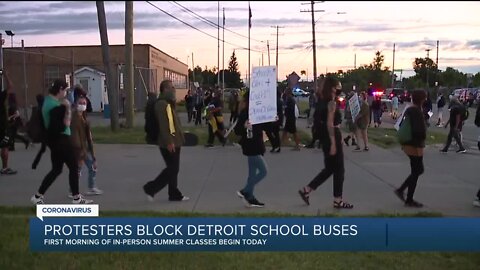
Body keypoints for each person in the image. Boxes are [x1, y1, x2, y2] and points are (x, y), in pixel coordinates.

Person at [30, 79, 93, 204]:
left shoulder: (48, 102)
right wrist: (68, 108)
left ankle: (37, 196)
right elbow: (66, 123)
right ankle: (76, 198)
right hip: (61, 140)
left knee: (57, 169)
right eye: (65, 90)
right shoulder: (57, 105)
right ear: (60, 89)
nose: (66, 92)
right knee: (74, 168)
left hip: (53, 141)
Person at [298, 76, 353, 209]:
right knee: (339, 170)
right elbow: (330, 124)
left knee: (329, 169)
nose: (339, 88)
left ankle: (307, 189)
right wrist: (334, 143)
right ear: (333, 88)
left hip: (325, 138)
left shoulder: (322, 101)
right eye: (337, 86)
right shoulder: (331, 103)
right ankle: (338, 200)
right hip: (331, 137)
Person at [143, 80, 189, 202]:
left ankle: (174, 194)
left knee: (173, 168)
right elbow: (165, 125)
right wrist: (169, 141)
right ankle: (151, 188)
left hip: (174, 140)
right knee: (173, 169)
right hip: (168, 142)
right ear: (165, 90)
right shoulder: (162, 104)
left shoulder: (168, 103)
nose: (174, 89)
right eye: (172, 87)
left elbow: (173, 124)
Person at [394, 90, 427, 208]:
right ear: (422, 99)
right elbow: (418, 130)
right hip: (415, 143)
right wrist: (422, 140)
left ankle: (404, 193)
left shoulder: (410, 109)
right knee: (417, 170)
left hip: (408, 142)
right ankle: (408, 198)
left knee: (417, 170)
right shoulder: (416, 111)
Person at [234, 91, 267, 208]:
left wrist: (274, 119)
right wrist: (244, 126)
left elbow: (264, 126)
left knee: (252, 175)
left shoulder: (258, 112)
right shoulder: (245, 113)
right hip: (251, 146)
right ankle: (245, 191)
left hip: (257, 145)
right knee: (264, 171)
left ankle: (250, 197)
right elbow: (237, 130)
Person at [71, 95, 103, 196]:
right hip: (79, 149)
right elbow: (74, 136)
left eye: (84, 103)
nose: (82, 105)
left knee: (92, 167)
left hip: (85, 148)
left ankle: (91, 187)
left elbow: (87, 136)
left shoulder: (83, 117)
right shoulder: (74, 118)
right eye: (80, 103)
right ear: (76, 104)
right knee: (78, 170)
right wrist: (79, 150)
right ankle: (73, 191)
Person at [0, 71, 17, 175]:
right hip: (2, 125)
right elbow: (10, 86)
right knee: (4, 146)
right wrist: (6, 74)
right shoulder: (1, 96)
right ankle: (5, 167)